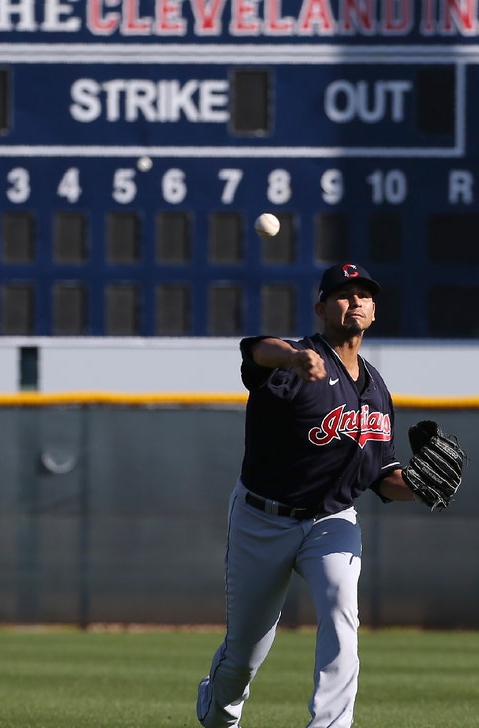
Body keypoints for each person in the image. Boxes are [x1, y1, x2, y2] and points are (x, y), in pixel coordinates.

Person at [196, 262, 431, 728]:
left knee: (343, 619)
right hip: (263, 519)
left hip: (331, 520)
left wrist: (421, 487)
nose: (356, 300)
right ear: (322, 307)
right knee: (245, 652)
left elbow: (381, 474)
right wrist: (289, 357)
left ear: (374, 311)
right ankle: (219, 712)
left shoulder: (376, 387)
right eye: (343, 294)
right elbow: (256, 351)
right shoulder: (296, 359)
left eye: (364, 294)